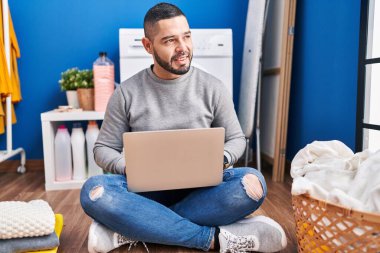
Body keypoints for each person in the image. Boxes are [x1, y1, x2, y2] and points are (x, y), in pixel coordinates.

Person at [80, 2, 287, 253]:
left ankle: (136, 226)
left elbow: (236, 139)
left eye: (186, 37)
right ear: (148, 46)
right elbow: (103, 148)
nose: (183, 48)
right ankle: (214, 239)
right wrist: (127, 166)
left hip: (203, 193)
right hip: (145, 194)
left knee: (253, 184)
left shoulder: (213, 87)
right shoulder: (126, 93)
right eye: (169, 41)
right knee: (94, 191)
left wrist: (220, 158)